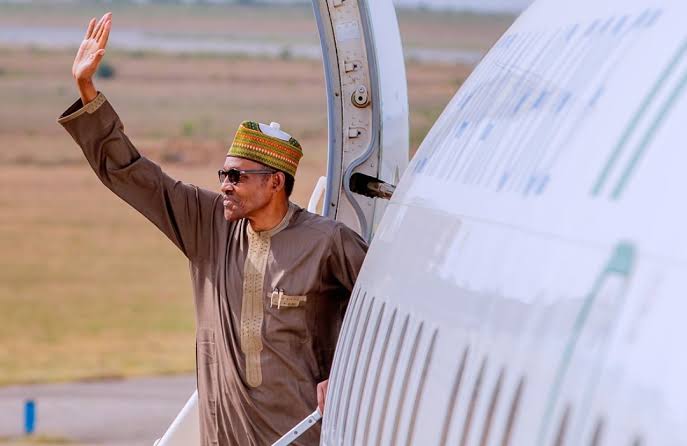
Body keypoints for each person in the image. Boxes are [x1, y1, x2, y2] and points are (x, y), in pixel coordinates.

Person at [58, 13, 368, 445]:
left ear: (275, 182)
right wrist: (87, 90)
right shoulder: (207, 225)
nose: (225, 185)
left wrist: (348, 374)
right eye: (223, 173)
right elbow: (134, 175)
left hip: (297, 434)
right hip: (223, 434)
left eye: (237, 176)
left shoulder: (327, 241)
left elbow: (382, 309)